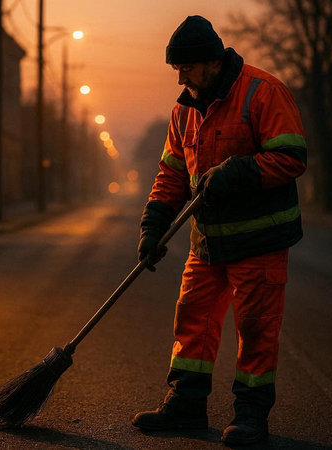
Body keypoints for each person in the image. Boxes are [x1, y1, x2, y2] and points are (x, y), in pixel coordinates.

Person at [132, 15, 307, 446]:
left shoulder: (264, 92)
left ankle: (250, 415)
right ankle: (186, 404)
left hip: (259, 241)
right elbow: (171, 174)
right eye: (177, 69)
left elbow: (291, 158)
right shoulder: (183, 111)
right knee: (193, 319)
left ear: (212, 61)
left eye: (186, 67)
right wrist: (153, 226)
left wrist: (237, 171)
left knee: (255, 328)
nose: (181, 76)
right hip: (207, 243)